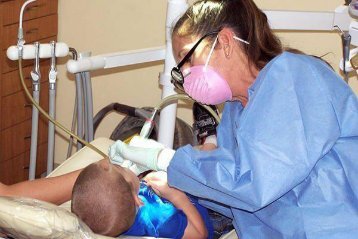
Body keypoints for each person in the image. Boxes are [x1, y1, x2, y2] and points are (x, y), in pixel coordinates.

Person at [108, 0, 358, 238]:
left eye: (187, 59)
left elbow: (253, 184)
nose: (185, 75)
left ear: (225, 41)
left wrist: (165, 159)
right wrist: (179, 186)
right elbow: (236, 198)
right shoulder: (233, 115)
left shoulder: (292, 77)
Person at [0, 159, 213, 239]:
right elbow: (200, 233)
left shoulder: (110, 216)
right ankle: (209, 142)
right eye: (122, 169)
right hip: (204, 215)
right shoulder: (159, 218)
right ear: (136, 200)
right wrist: (176, 195)